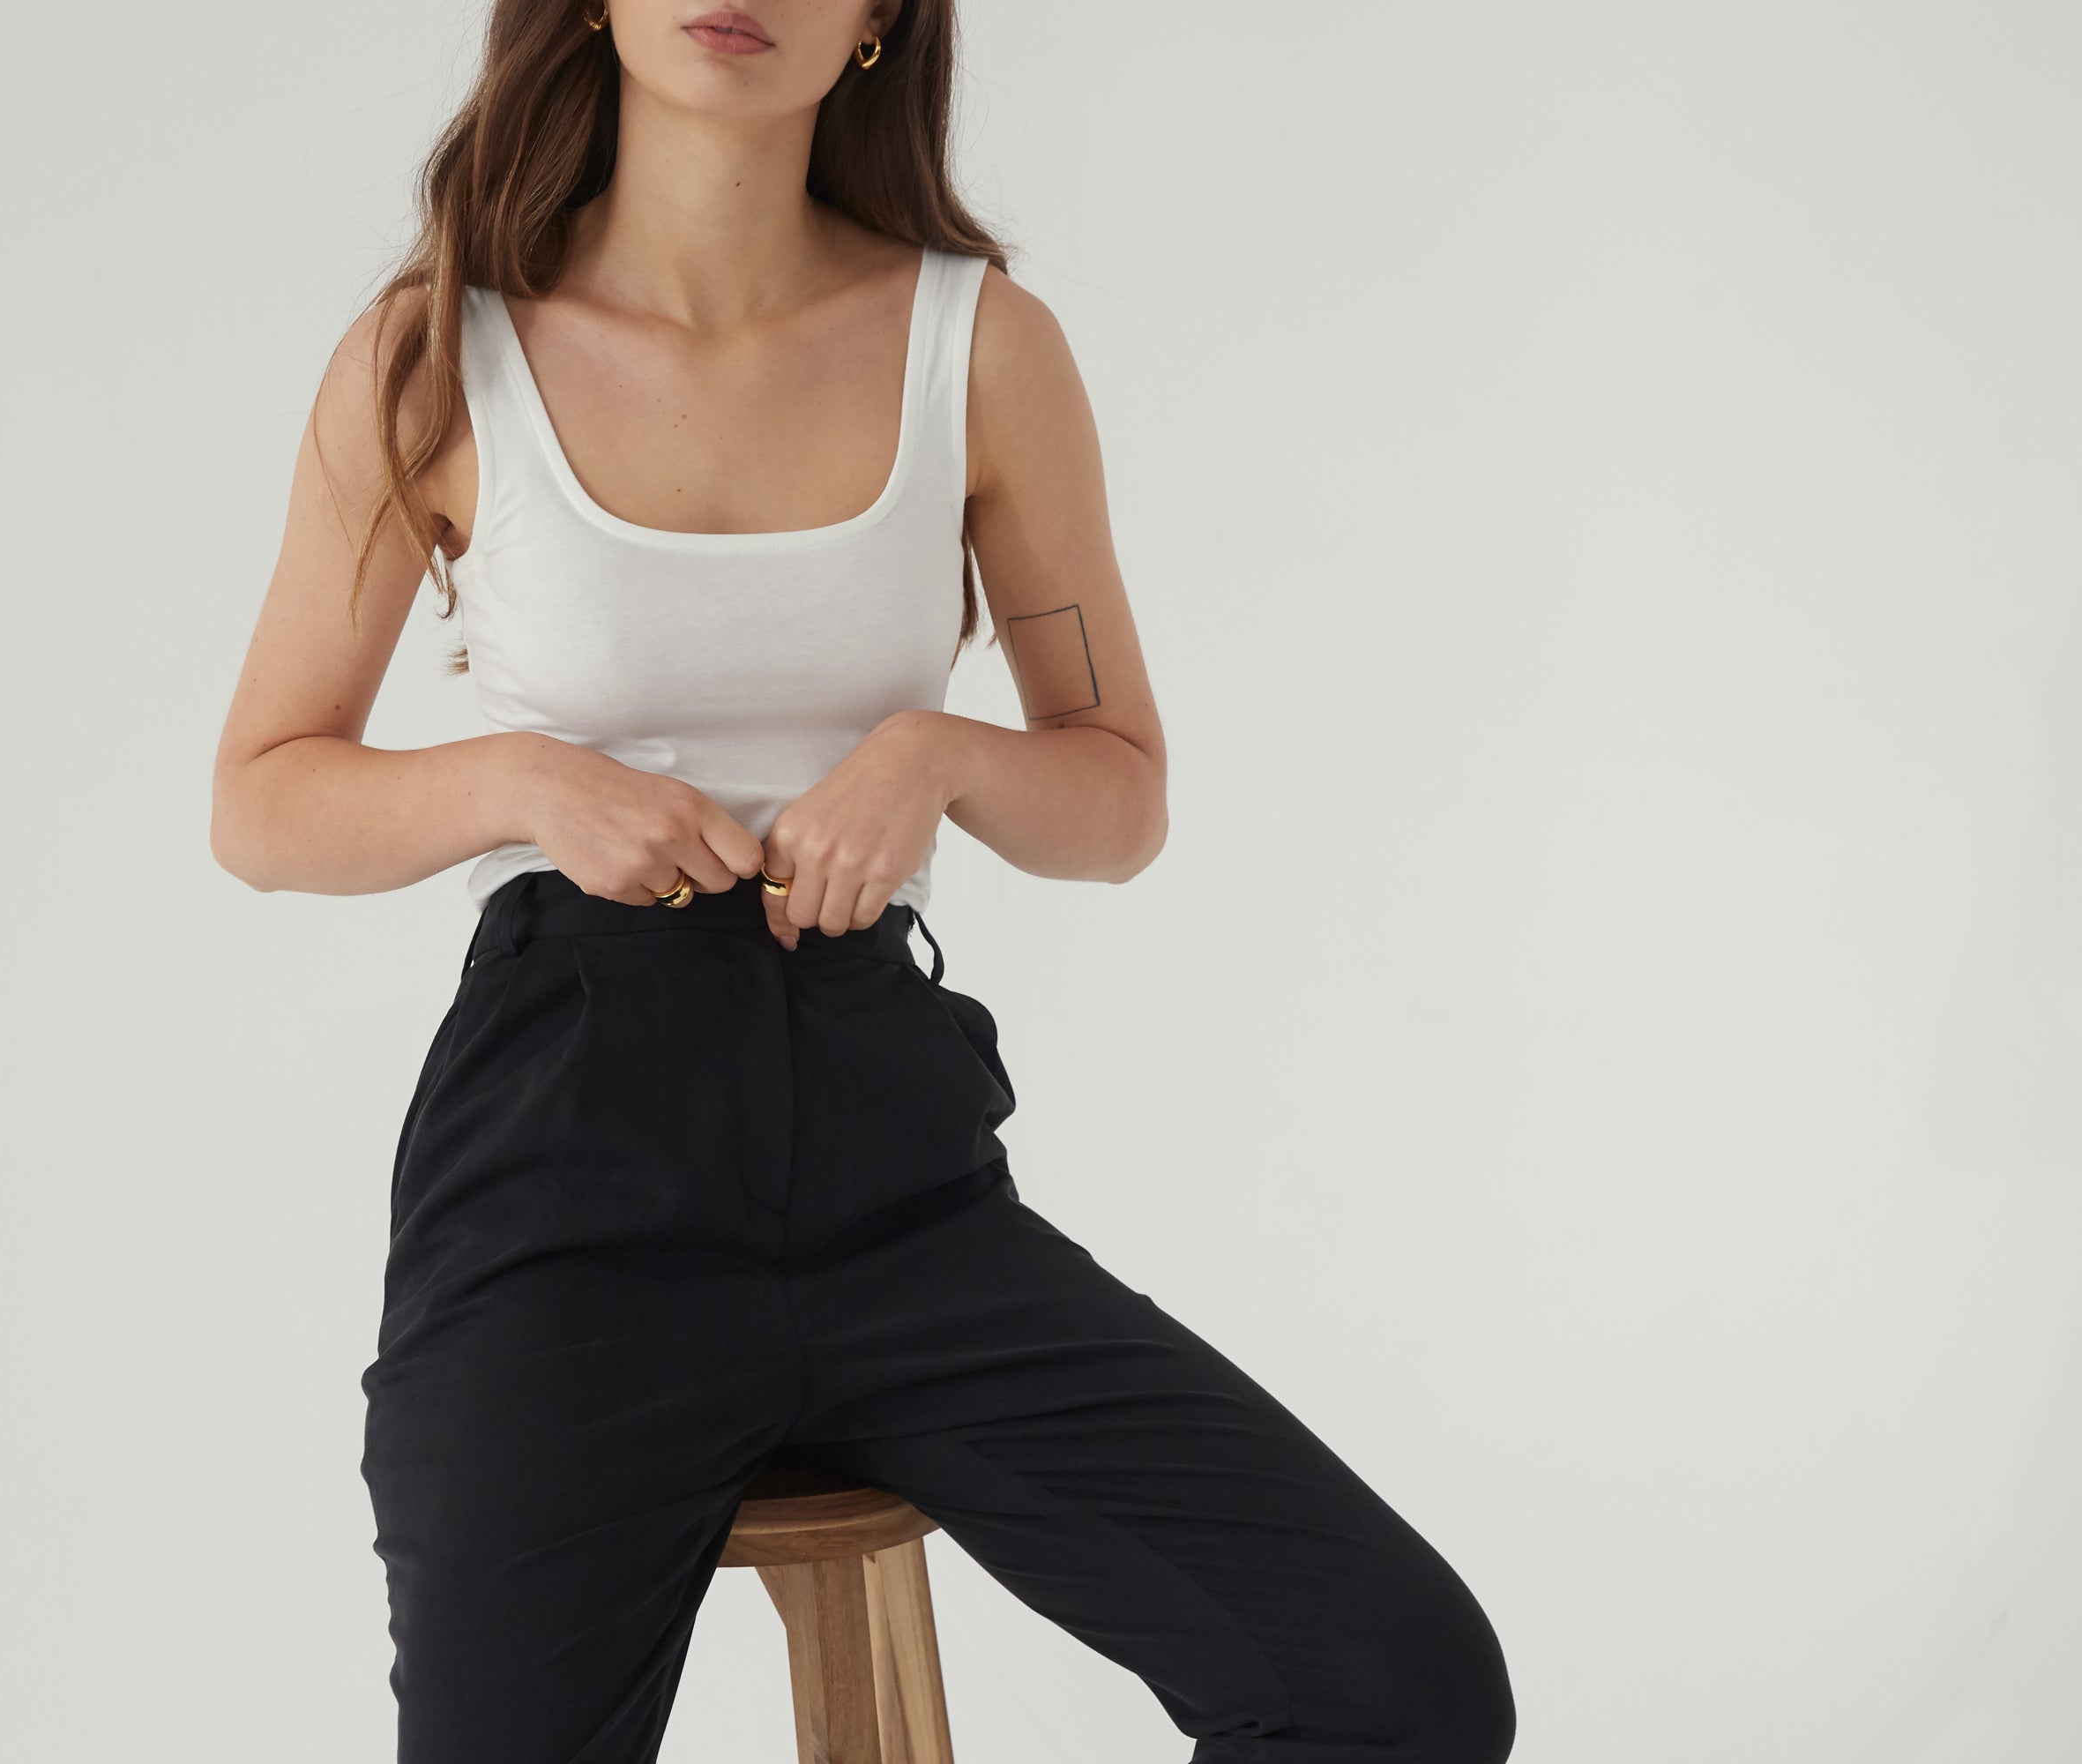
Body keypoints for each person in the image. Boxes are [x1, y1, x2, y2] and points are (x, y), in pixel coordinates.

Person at [210, 3, 1516, 1759]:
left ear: (885, 15)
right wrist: (524, 782)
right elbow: (264, 800)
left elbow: (1116, 799)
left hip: (895, 1192)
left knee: (1395, 1679)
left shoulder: (980, 351)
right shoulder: (439, 352)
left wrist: (941, 756)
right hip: (563, 1189)